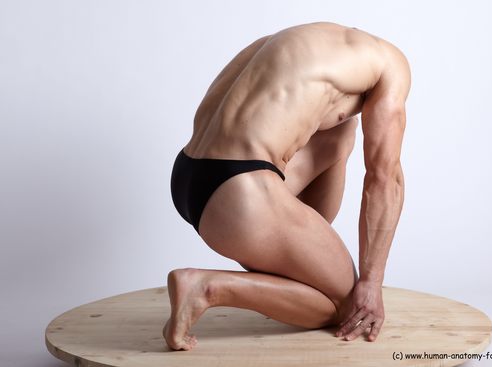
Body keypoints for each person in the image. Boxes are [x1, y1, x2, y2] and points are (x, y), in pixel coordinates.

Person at [165, 21, 410, 351]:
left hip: (188, 177)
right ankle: (207, 287)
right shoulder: (392, 64)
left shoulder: (291, 44)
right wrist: (371, 281)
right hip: (241, 195)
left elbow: (332, 144)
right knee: (344, 303)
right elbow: (385, 178)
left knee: (342, 132)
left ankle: (298, 257)